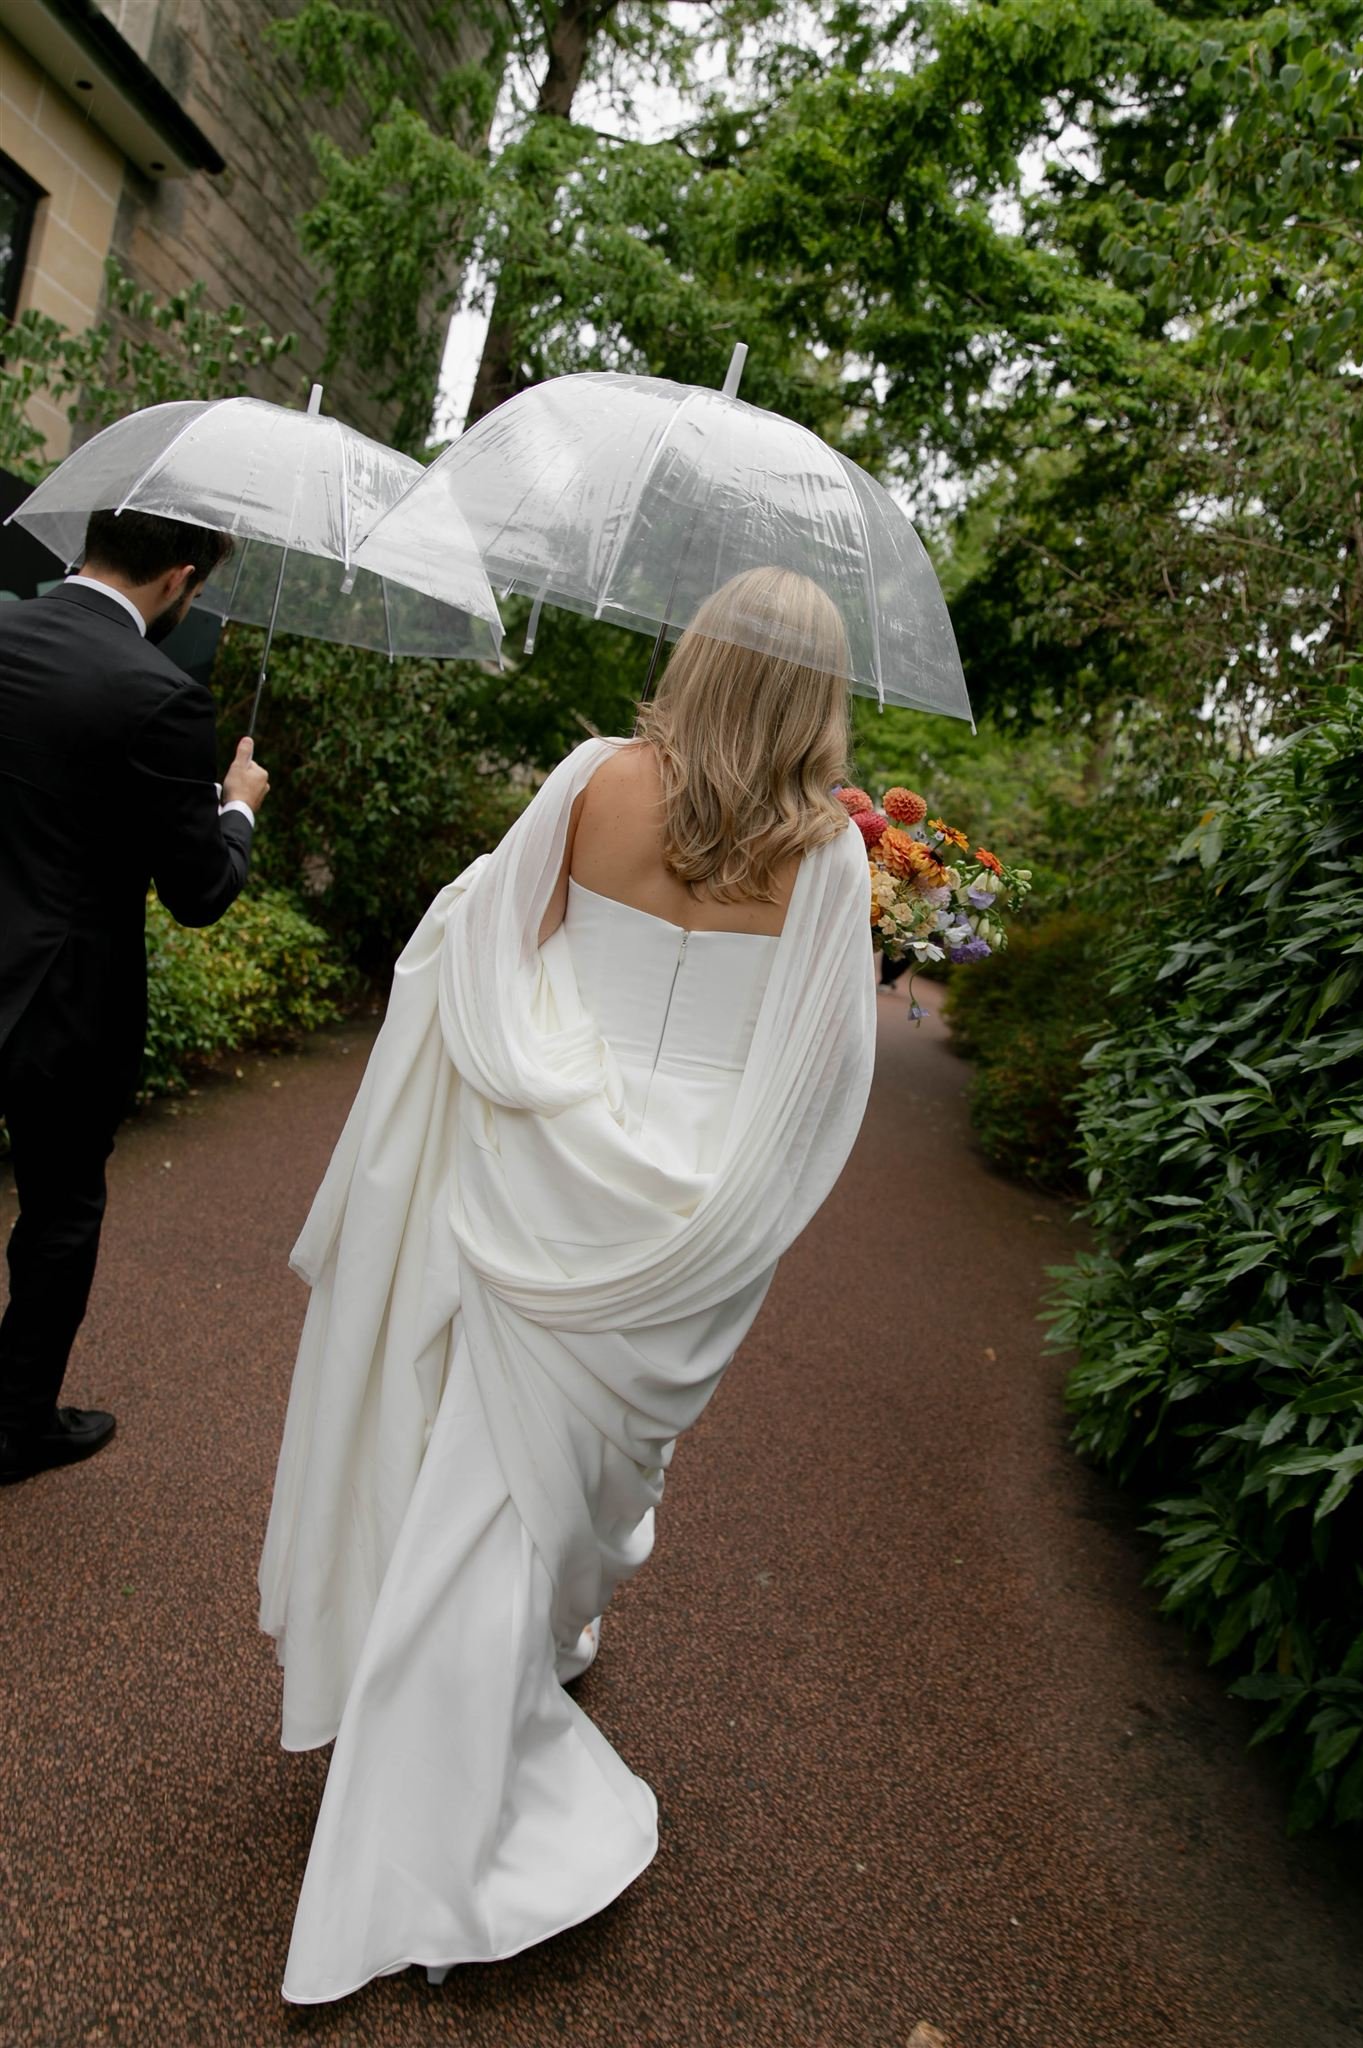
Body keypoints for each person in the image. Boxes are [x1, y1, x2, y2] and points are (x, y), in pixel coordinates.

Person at [258, 565, 876, 2005]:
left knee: (492, 1462)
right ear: (821, 697)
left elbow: (484, 952)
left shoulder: (595, 781)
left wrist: (549, 1077)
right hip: (694, 1208)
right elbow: (825, 1075)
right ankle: (426, 1824)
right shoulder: (828, 857)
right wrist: (735, 1205)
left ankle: (527, 1650)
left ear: (698, 654)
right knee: (551, 1481)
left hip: (539, 1165)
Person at [0, 507, 270, 1485]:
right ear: (180, 578)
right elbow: (198, 890)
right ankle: (16, 1423)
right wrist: (235, 807)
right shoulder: (160, 693)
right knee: (59, 1212)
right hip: (65, 1005)